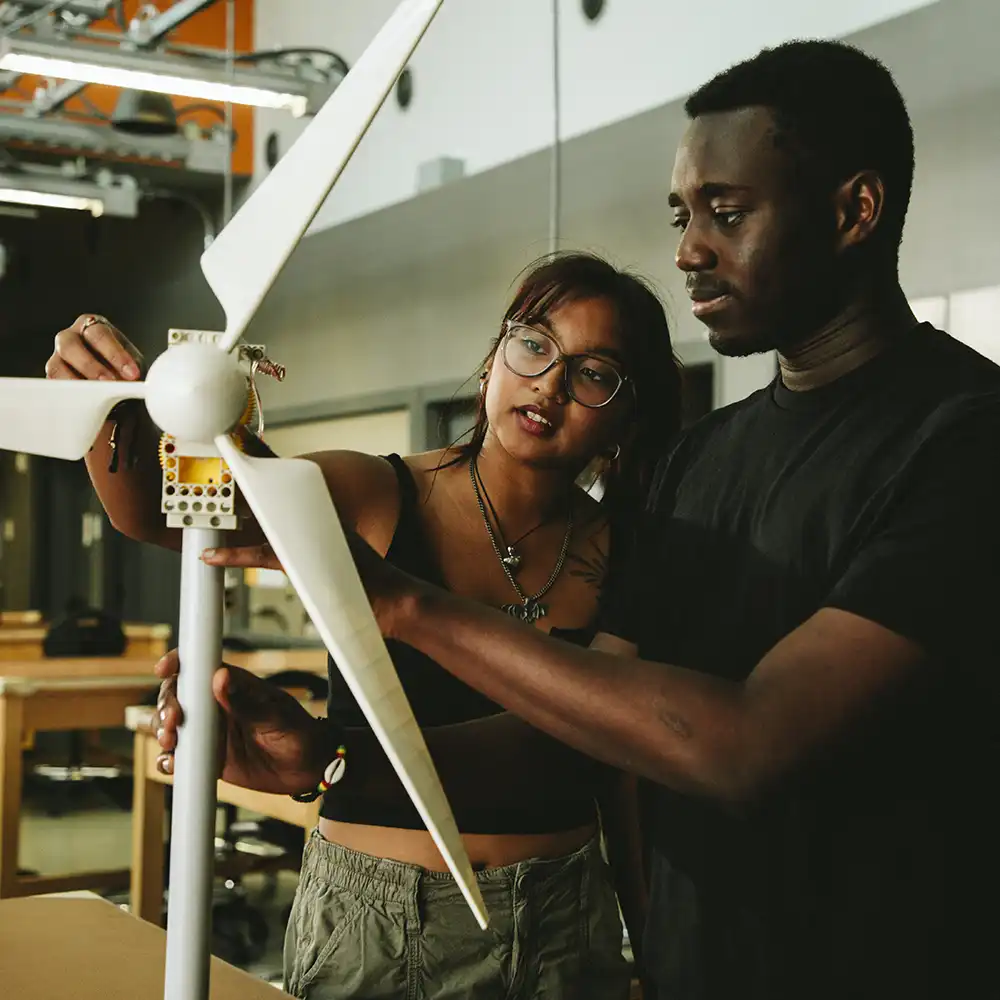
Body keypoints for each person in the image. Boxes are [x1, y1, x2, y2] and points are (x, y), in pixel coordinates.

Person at [261, 40, 999, 1000]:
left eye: (727, 215)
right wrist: (333, 758)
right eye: (683, 215)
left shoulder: (963, 440)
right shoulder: (697, 462)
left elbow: (745, 746)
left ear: (855, 210)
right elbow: (588, 725)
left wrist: (408, 608)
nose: (690, 247)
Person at [46, 252, 684, 999]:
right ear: (491, 365)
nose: (549, 382)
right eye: (534, 344)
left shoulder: (625, 550)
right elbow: (162, 512)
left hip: (565, 926)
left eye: (594, 372)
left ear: (625, 417)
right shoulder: (375, 494)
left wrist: (650, 950)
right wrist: (111, 396)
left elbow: (622, 771)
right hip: (381, 925)